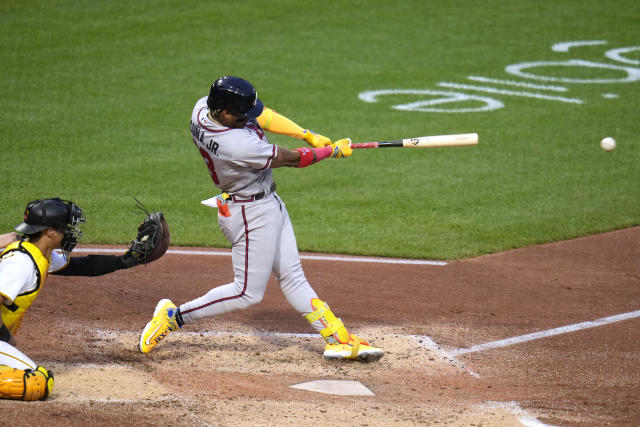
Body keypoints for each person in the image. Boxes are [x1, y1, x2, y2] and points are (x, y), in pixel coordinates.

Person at [139, 76, 383, 362]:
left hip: (268, 203)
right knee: (246, 293)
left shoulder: (202, 108)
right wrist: (331, 151)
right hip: (249, 214)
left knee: (293, 276)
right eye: (243, 115)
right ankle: (174, 316)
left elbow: (265, 116)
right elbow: (291, 159)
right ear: (226, 113)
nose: (249, 118)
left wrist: (307, 134)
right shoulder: (236, 145)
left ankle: (337, 338)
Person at [0, 198, 167, 400]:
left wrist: (127, 260)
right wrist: (6, 337)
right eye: (65, 227)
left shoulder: (39, 254)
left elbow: (84, 266)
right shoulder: (21, 263)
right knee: (36, 381)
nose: (70, 232)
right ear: (49, 232)